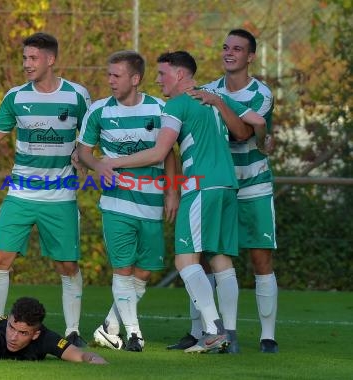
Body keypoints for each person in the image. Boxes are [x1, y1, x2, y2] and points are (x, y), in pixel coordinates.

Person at [96, 51, 267, 353]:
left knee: (185, 259)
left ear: (179, 74)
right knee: (220, 260)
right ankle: (231, 335)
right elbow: (252, 123)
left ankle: (213, 330)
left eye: (162, 74)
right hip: (228, 184)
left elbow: (159, 153)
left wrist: (114, 161)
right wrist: (265, 142)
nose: (158, 80)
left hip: (200, 185)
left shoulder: (176, 105)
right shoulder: (213, 96)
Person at [0, 32, 91, 346]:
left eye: (33, 58)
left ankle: (73, 331)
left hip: (60, 196)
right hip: (20, 194)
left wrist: (83, 157)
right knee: (0, 259)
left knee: (67, 266)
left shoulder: (77, 95)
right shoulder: (16, 97)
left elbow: (89, 137)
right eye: (25, 58)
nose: (26, 64)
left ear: (51, 59)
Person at [167, 29, 278, 354]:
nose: (229, 53)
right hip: (217, 183)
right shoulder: (207, 89)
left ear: (251, 56)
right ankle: (201, 331)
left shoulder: (261, 93)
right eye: (226, 47)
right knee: (203, 258)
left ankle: (267, 336)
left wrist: (263, 137)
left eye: (238, 49)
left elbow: (248, 134)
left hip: (253, 182)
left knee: (260, 257)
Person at [76, 50, 179, 352]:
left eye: (116, 75)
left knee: (144, 271)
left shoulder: (160, 109)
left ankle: (110, 325)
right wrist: (98, 166)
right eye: (109, 74)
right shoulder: (99, 110)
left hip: (151, 203)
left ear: (135, 79)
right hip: (116, 203)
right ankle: (134, 334)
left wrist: (172, 191)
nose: (110, 81)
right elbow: (84, 151)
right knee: (122, 268)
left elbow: (170, 154)